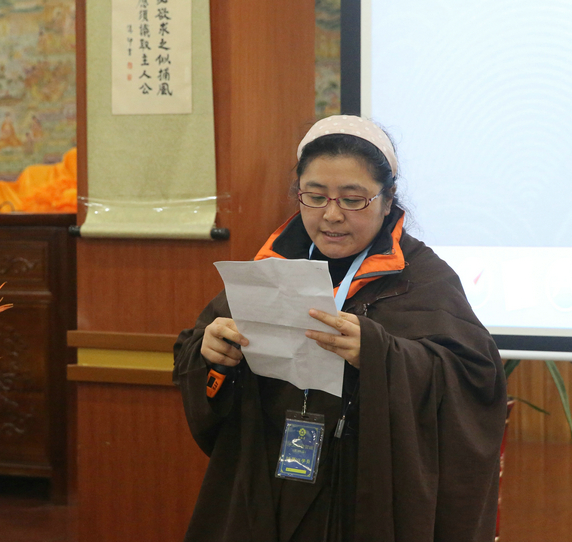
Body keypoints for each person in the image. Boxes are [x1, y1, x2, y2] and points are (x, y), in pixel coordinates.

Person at [173, 115, 507, 542]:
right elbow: (194, 351)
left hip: (367, 491)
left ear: (387, 199)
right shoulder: (274, 263)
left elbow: (475, 379)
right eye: (315, 197)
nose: (331, 215)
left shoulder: (423, 277)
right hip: (268, 480)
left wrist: (380, 353)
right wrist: (212, 353)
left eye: (353, 200)